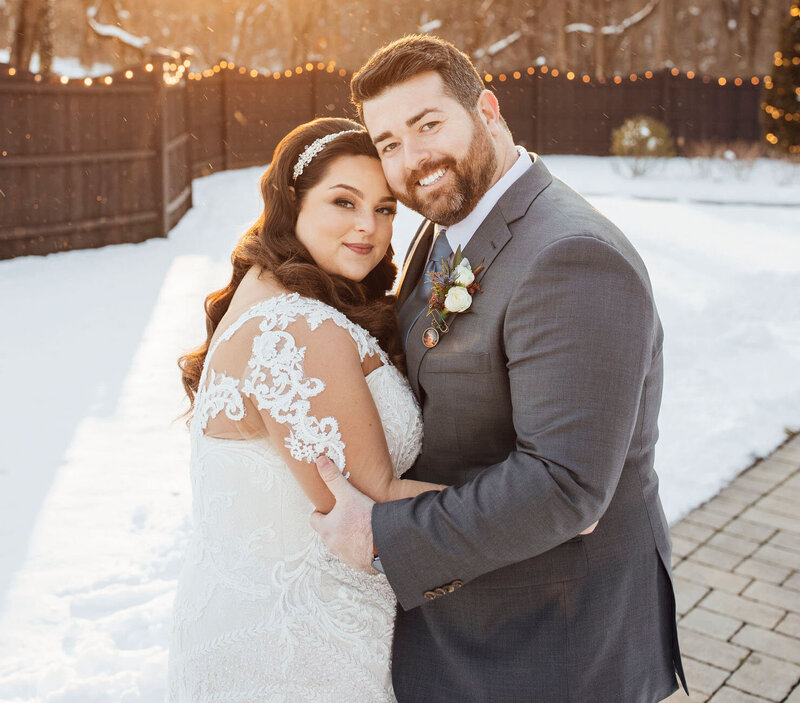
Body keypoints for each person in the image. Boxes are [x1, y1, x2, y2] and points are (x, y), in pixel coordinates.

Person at [310, 35, 687, 702]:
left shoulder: (571, 256)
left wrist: (380, 534)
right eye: (389, 142)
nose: (412, 158)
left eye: (428, 125)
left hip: (552, 641)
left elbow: (565, 487)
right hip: (476, 615)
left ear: (487, 110)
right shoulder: (446, 222)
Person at [168, 117, 445, 702]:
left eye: (387, 208)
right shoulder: (291, 326)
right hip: (299, 660)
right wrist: (545, 500)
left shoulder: (271, 293)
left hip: (262, 630)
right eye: (343, 202)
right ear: (290, 202)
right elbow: (376, 514)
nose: (368, 227)